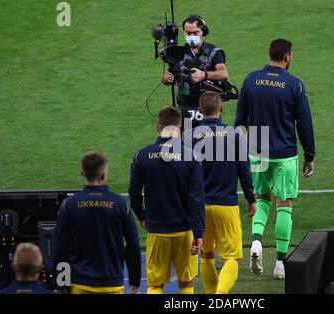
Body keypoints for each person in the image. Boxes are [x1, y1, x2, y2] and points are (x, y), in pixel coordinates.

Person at [234, 39, 315, 279]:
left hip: (257, 150)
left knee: (262, 200)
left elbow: (240, 120)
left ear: (270, 54)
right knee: (284, 205)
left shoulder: (251, 80)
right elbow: (305, 124)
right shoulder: (294, 84)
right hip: (285, 153)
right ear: (288, 56)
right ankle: (280, 263)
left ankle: (257, 242)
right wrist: (309, 155)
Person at [129, 106, 205, 294]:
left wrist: (142, 216)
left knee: (155, 285)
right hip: (185, 232)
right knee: (186, 284)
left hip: (157, 230)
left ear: (158, 127)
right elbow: (196, 199)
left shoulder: (142, 156)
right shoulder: (191, 156)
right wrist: (199, 232)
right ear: (179, 127)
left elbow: (134, 194)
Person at [187, 91, 256, 293]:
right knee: (232, 257)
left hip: (199, 207)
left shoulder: (188, 136)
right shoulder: (235, 135)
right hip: (226, 204)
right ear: (222, 108)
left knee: (206, 256)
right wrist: (251, 199)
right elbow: (244, 171)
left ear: (199, 111)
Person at [53, 152, 141, 294]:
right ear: (104, 174)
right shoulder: (120, 204)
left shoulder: (69, 204)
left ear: (82, 173)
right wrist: (135, 278)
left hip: (80, 284)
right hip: (112, 284)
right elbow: (133, 244)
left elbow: (60, 247)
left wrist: (60, 283)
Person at [162, 15, 229, 128]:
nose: (191, 36)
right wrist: (166, 77)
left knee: (210, 140)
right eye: (188, 33)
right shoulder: (178, 52)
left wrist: (204, 75)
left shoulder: (213, 51)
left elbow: (224, 74)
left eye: (195, 32)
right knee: (188, 142)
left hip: (209, 108)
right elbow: (165, 79)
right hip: (185, 107)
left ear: (203, 31)